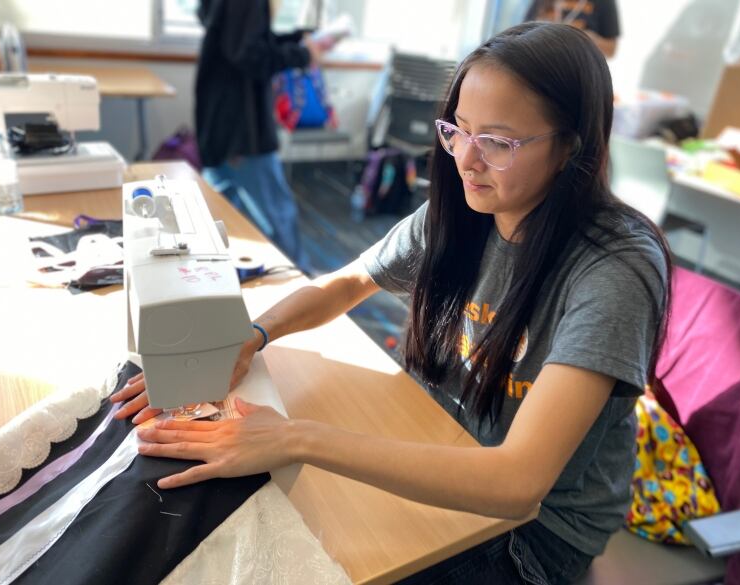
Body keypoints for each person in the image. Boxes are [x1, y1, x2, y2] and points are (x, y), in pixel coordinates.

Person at [113, 22, 671, 584]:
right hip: (434, 436)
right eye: (459, 131)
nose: (466, 161)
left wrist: (296, 437)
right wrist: (253, 336)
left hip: (534, 536)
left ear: (571, 147)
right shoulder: (466, 211)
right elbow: (348, 282)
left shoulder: (615, 268)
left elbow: (517, 482)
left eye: (497, 142)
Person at [195, 0, 322, 268]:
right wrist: (301, 55)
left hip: (220, 123)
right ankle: (302, 288)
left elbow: (246, 39)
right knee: (277, 214)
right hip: (240, 128)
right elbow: (249, 53)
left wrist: (294, 39)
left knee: (221, 216)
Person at [525, 0, 620, 58]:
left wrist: (587, 38)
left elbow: (611, 49)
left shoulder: (605, 3)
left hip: (579, 74)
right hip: (538, 67)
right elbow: (522, 35)